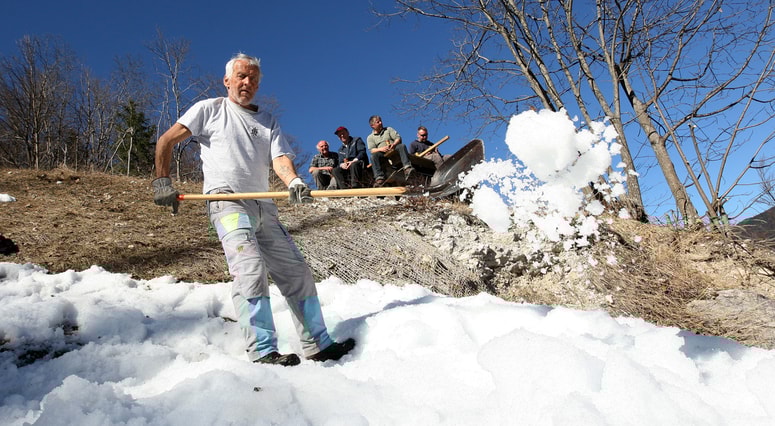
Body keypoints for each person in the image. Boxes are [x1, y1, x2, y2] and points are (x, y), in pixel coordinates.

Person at [152, 53, 355, 367]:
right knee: (249, 270)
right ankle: (262, 351)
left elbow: (280, 160)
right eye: (242, 77)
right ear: (228, 80)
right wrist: (161, 181)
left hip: (265, 208)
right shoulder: (210, 110)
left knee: (297, 273)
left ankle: (318, 344)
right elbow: (166, 140)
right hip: (227, 203)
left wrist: (294, 180)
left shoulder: (267, 121)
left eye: (254, 80)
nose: (247, 83)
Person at [366, 115, 414, 187]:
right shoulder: (370, 137)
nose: (381, 123)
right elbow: (372, 150)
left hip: (393, 149)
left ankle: (407, 168)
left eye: (380, 121)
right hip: (382, 153)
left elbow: (398, 138)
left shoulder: (389, 129)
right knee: (373, 156)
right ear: (372, 125)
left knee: (402, 146)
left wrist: (394, 144)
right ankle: (379, 178)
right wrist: (381, 149)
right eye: (378, 122)